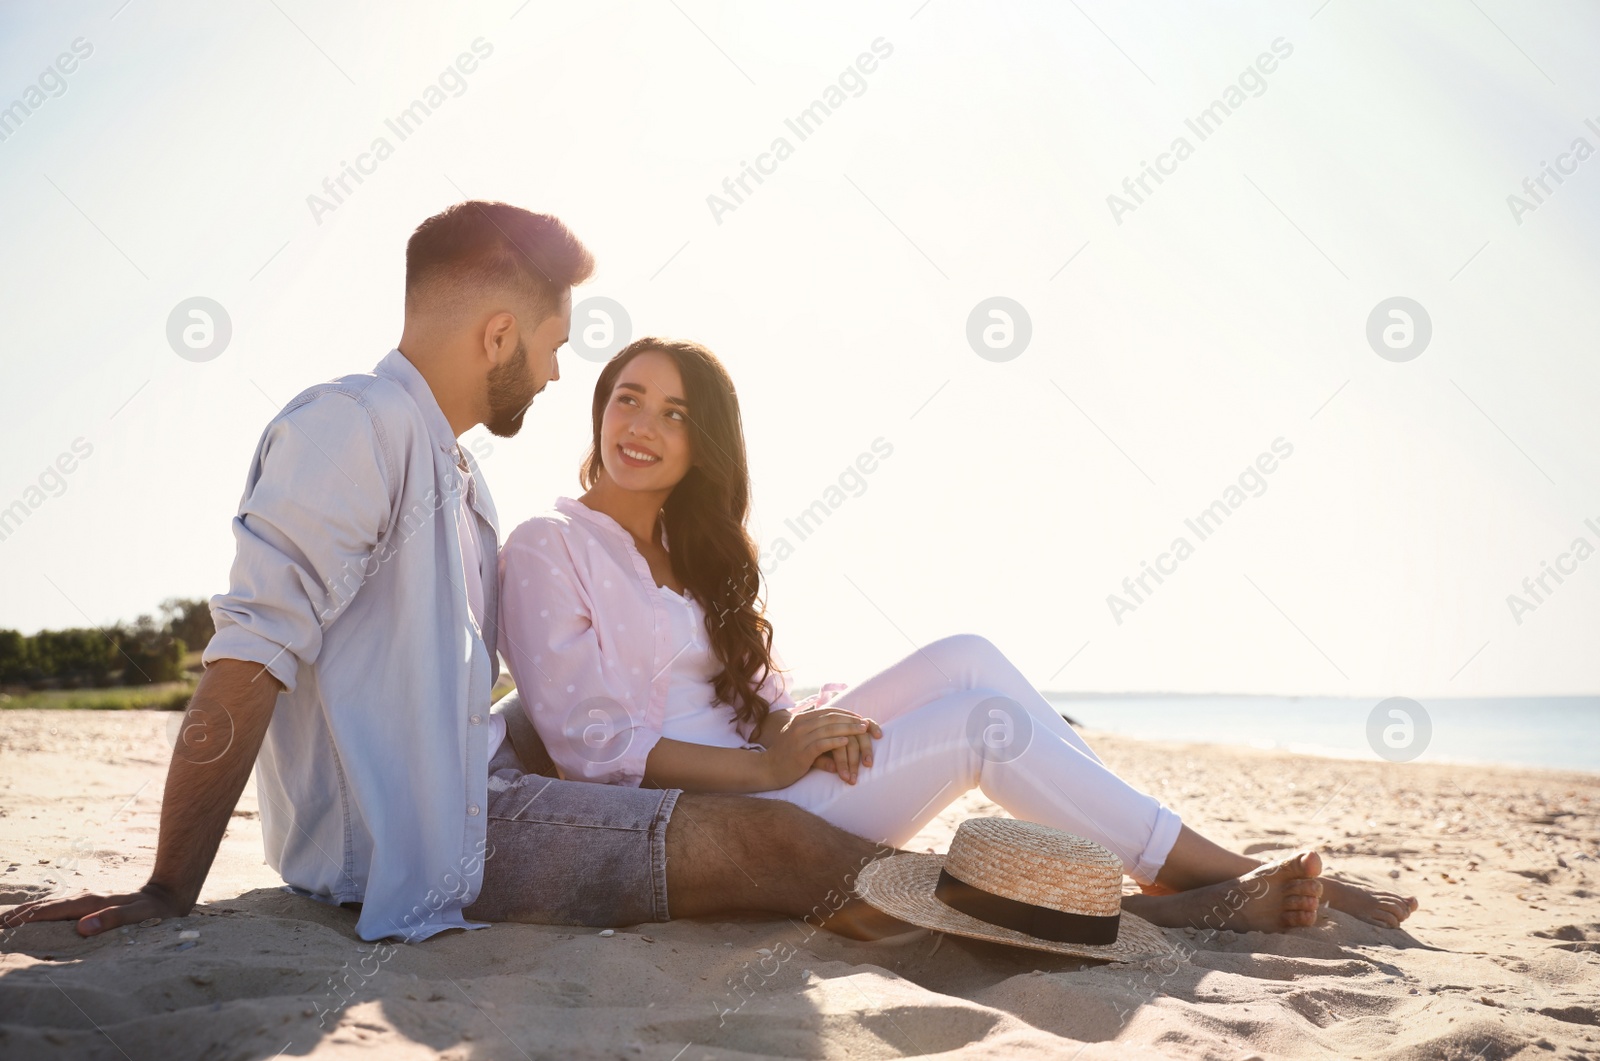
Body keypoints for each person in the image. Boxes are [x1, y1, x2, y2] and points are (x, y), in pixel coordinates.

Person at [496, 337, 1421, 931]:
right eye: (626, 397)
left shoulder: (695, 555)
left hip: (771, 771)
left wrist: (811, 730)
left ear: (705, 444)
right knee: (981, 721)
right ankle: (1215, 875)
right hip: (727, 813)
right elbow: (591, 747)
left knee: (966, 656)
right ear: (598, 410)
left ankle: (1182, 871)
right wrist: (769, 769)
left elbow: (760, 700)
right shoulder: (549, 545)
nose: (642, 424)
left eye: (674, 412)